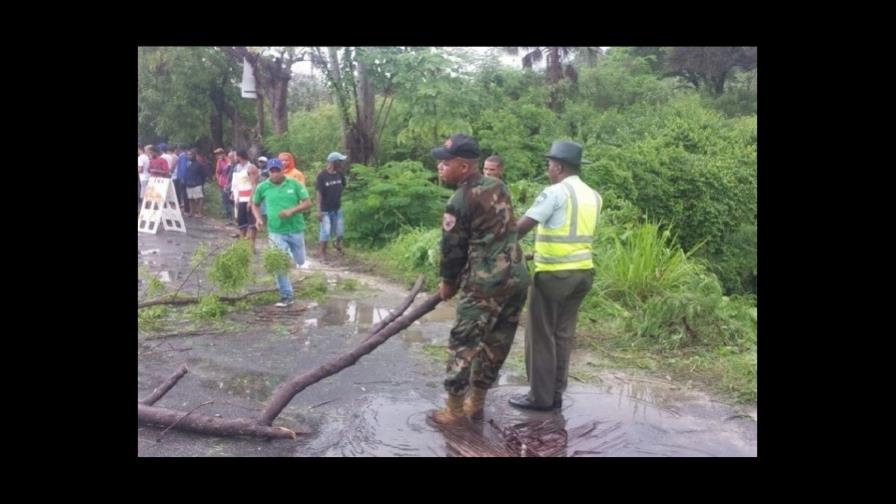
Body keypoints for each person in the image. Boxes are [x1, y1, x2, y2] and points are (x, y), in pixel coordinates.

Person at [428, 133, 530, 425]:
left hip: (486, 282)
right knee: (497, 341)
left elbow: (452, 250)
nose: (439, 168)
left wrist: (448, 283)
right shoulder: (499, 186)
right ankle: (477, 402)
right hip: (517, 275)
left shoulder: (458, 200)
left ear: (463, 167)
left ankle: (455, 409)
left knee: (464, 341)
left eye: (445, 163)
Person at [508, 140, 602, 411]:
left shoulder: (555, 192)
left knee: (540, 336)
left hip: (554, 276)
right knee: (562, 334)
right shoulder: (594, 195)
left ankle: (539, 397)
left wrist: (490, 239)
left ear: (559, 167)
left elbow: (522, 228)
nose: (548, 169)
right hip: (583, 274)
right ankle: (556, 394)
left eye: (549, 165)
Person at [251, 158, 312, 307]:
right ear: (268, 172)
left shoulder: (294, 184)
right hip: (276, 231)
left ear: (283, 170)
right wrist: (258, 218)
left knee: (300, 261)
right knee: (279, 263)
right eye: (271, 171)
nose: (274, 174)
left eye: (277, 171)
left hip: (296, 228)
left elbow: (307, 202)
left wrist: (292, 210)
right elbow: (255, 203)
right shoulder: (263, 187)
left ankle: (291, 257)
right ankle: (286, 295)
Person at [316, 152, 348, 262]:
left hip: (337, 208)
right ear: (333, 162)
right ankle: (322, 254)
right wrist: (319, 210)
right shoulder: (322, 176)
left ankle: (338, 247)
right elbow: (319, 194)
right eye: (340, 161)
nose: (342, 163)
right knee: (325, 232)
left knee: (340, 231)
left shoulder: (339, 174)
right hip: (325, 210)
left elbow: (343, 185)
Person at [232, 150, 260, 249]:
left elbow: (254, 185)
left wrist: (251, 200)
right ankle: (242, 245)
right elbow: (238, 185)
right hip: (241, 198)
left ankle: (252, 246)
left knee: (252, 223)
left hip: (249, 198)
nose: (234, 158)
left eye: (235, 156)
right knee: (241, 222)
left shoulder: (251, 167)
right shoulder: (238, 168)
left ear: (240, 156)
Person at [214, 148, 235, 223]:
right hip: (222, 183)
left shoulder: (229, 160)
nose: (218, 155)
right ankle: (229, 216)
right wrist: (218, 180)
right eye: (217, 154)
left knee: (232, 200)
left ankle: (234, 215)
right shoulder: (219, 161)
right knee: (225, 200)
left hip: (231, 183)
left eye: (220, 153)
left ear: (223, 153)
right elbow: (217, 172)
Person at [185, 148, 206, 218]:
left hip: (197, 183)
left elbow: (203, 174)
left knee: (199, 198)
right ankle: (192, 212)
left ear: (194, 156)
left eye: (190, 155)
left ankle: (200, 212)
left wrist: (201, 182)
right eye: (188, 155)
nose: (188, 156)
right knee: (190, 199)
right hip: (189, 183)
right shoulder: (188, 164)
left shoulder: (199, 164)